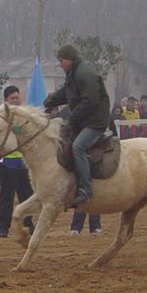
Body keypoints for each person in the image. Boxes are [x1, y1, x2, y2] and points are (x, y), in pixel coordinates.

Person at [43, 44, 110, 208]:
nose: (60, 64)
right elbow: (66, 93)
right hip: (84, 121)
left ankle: (86, 189)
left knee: (78, 147)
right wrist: (51, 100)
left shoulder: (84, 74)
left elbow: (90, 101)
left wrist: (72, 118)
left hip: (95, 122)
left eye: (61, 60)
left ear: (69, 59)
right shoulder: (73, 74)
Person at [0, 85, 35, 238]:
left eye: (17, 98)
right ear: (6, 100)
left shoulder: (22, 116)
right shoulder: (1, 117)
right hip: (7, 162)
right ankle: (3, 228)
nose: (16, 101)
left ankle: (28, 224)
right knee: (7, 196)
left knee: (26, 195)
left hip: (23, 162)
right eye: (13, 98)